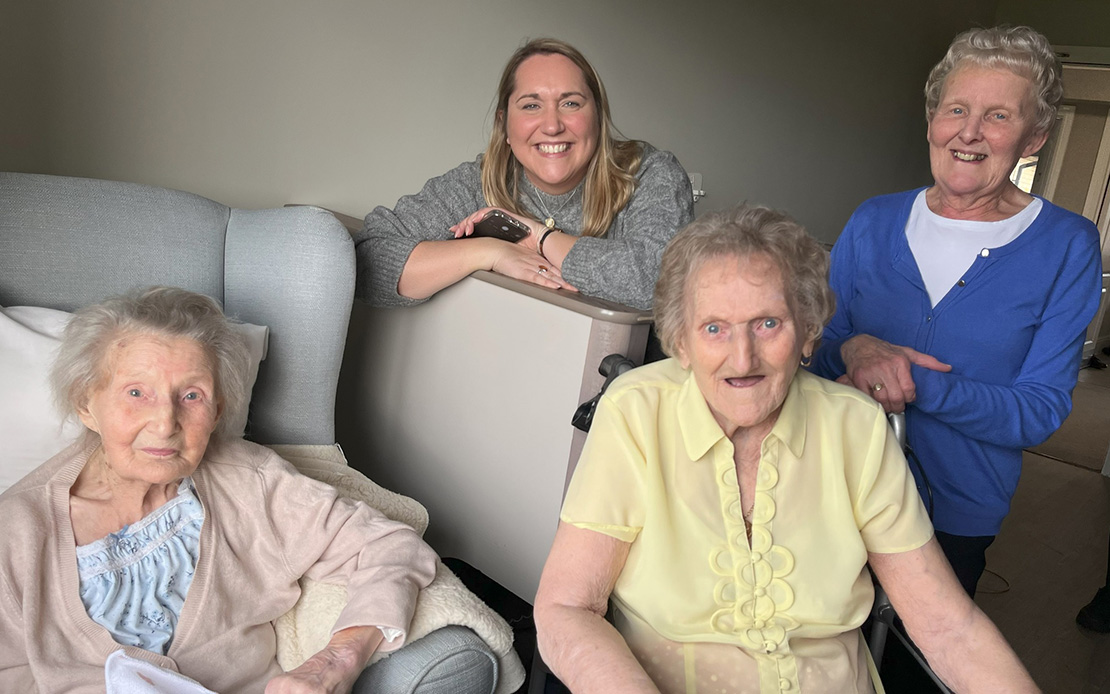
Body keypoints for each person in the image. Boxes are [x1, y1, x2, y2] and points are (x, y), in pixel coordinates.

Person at [533, 205, 1038, 693]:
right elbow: (566, 608)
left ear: (808, 332)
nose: (743, 356)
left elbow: (948, 626)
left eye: (768, 323)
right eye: (714, 328)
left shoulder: (855, 426)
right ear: (680, 342)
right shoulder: (637, 411)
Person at [0, 287, 438, 693]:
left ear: (216, 412)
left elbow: (391, 546)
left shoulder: (249, 482)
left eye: (191, 396)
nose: (165, 423)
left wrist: (337, 659)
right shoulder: (15, 531)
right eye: (137, 392)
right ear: (85, 404)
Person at [811, 25, 1102, 598]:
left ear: (1035, 136)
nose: (968, 132)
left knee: (911, 669)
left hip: (954, 512)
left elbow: (1040, 410)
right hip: (827, 487)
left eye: (998, 115)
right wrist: (852, 348)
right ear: (931, 121)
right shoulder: (873, 219)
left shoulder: (1068, 244)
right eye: (956, 109)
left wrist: (912, 383)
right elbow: (814, 351)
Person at [355, 38, 694, 311]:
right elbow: (369, 259)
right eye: (531, 105)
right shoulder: (477, 183)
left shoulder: (651, 173)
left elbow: (658, 282)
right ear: (504, 124)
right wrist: (490, 252)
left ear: (598, 118)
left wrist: (540, 239)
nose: (552, 125)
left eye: (571, 103)